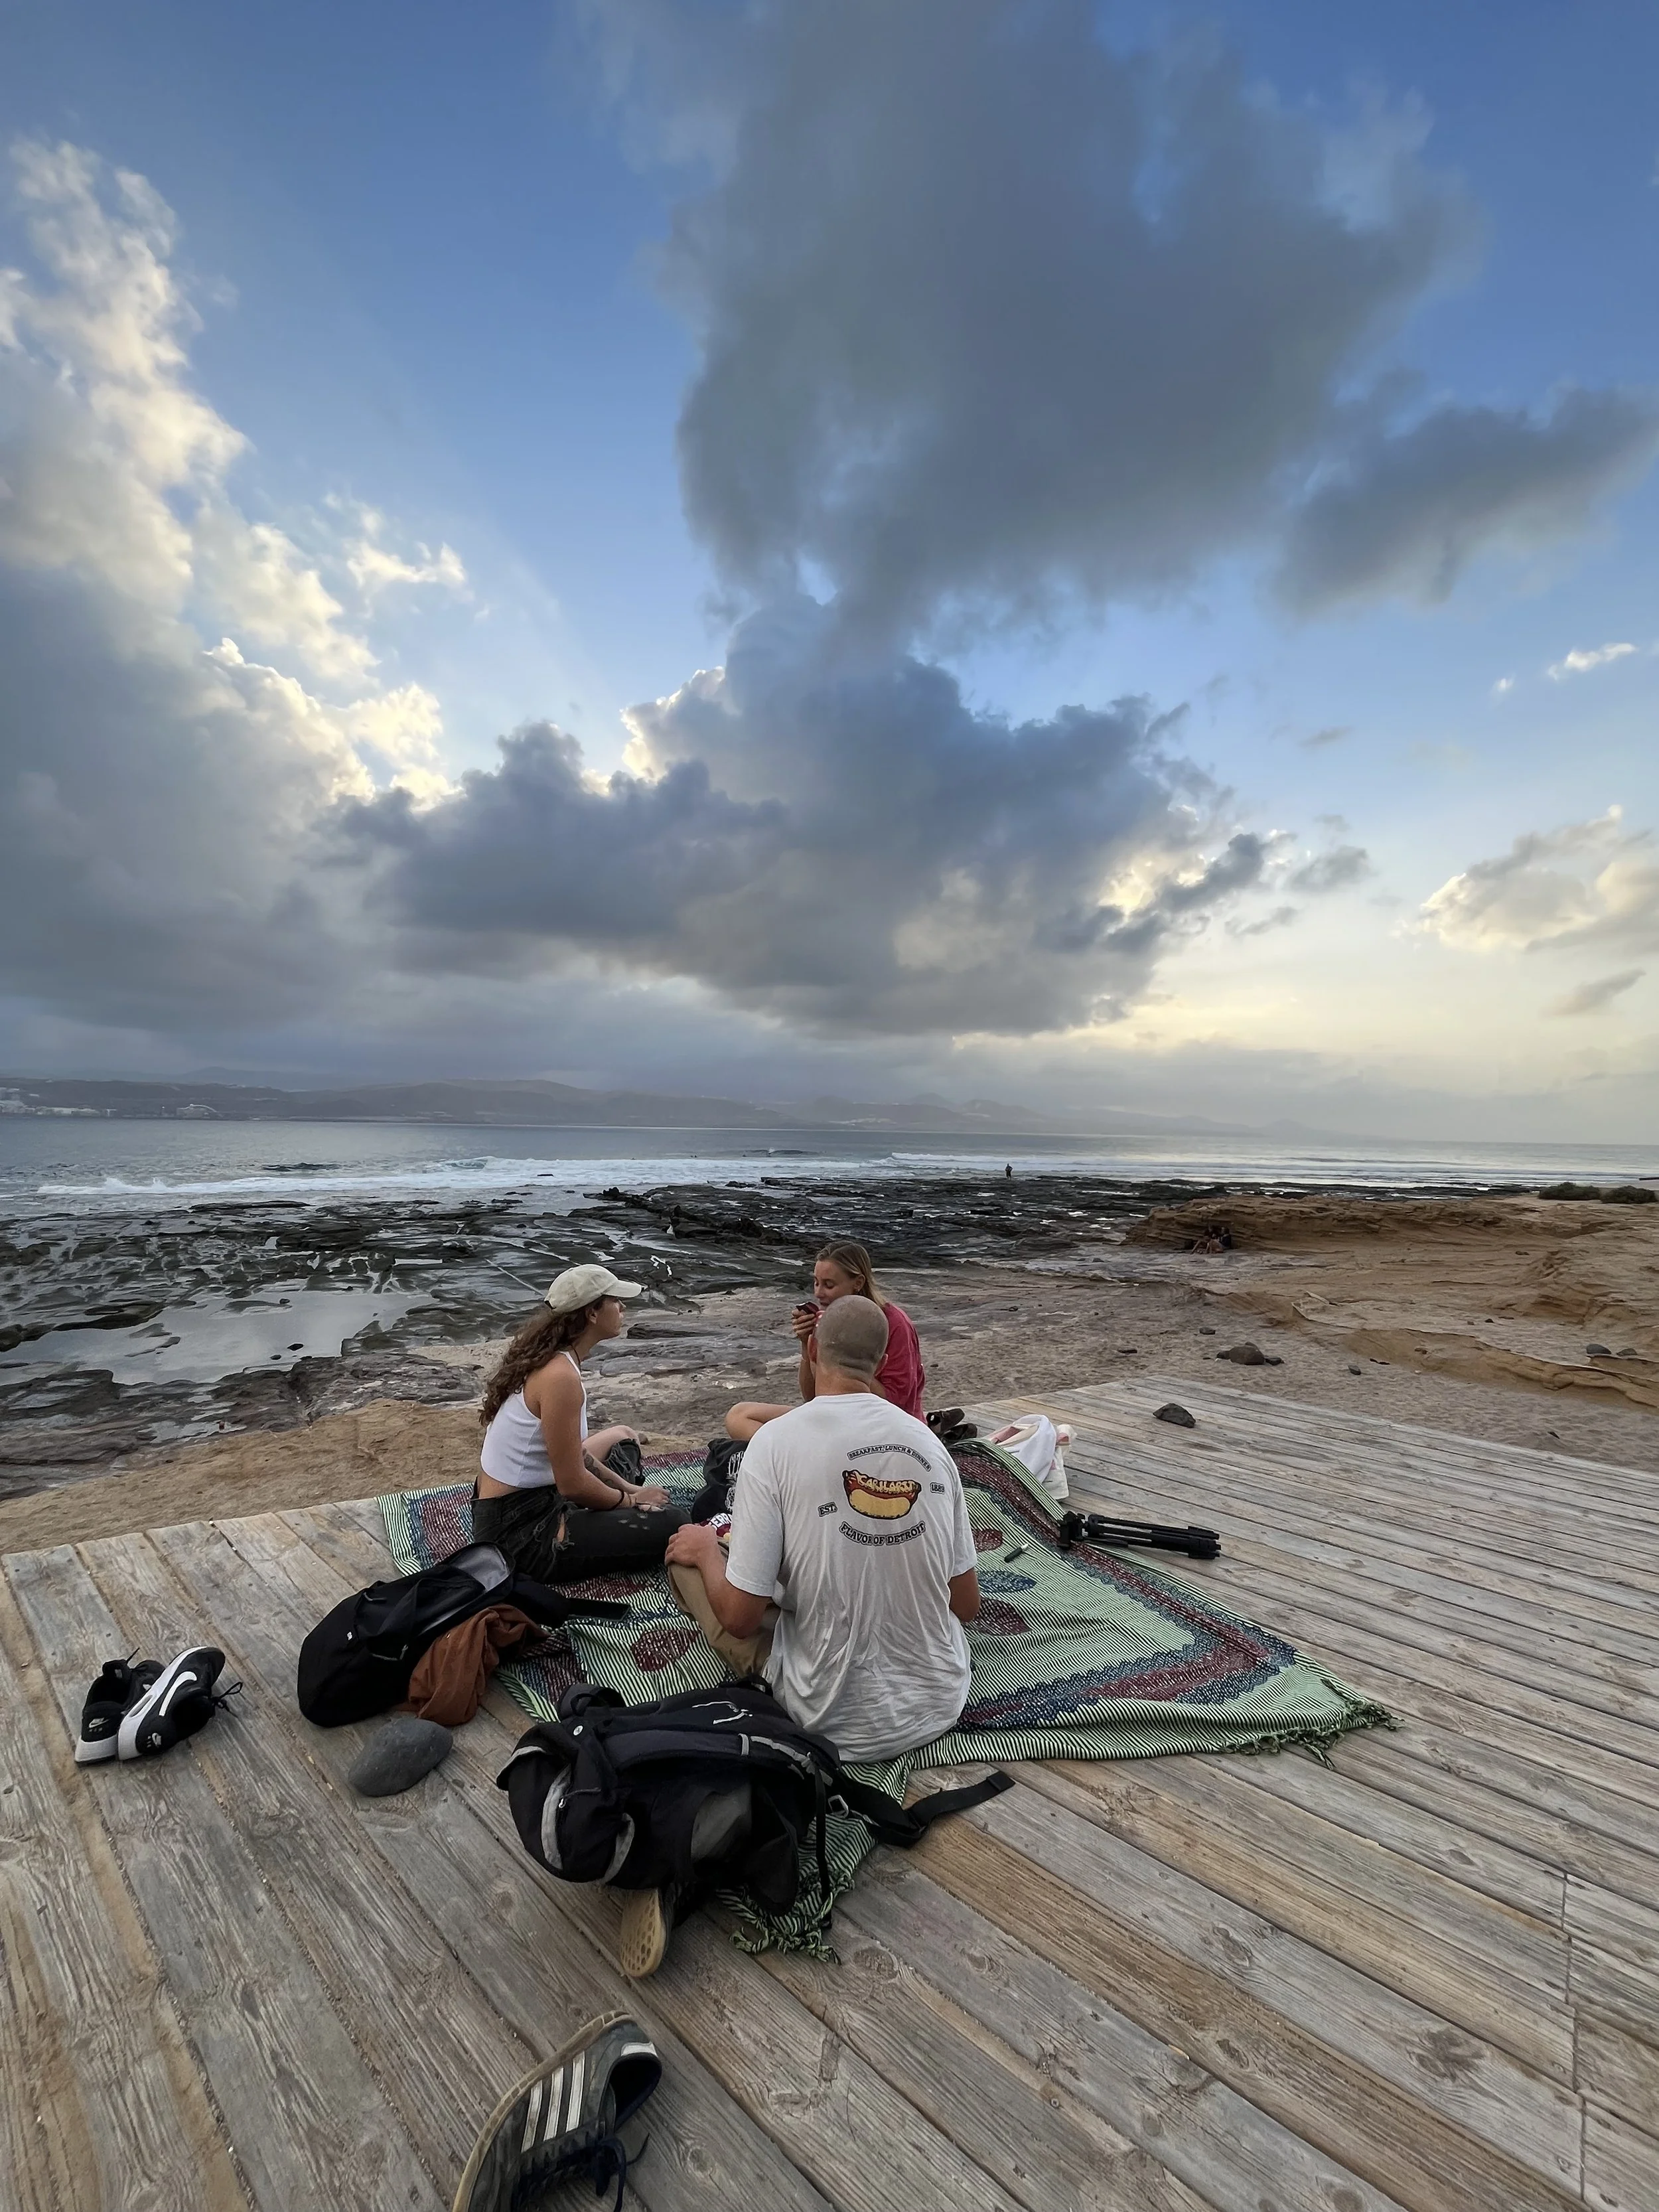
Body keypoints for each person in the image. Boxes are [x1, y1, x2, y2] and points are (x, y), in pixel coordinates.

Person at [666, 1295, 980, 1761]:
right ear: (883, 1359)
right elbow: (966, 1604)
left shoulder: (773, 1443)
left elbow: (740, 1618)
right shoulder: (931, 1447)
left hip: (825, 1714)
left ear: (812, 1349)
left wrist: (707, 1550)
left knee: (688, 1557)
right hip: (938, 1701)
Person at [473, 1264, 685, 1582]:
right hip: (518, 1533)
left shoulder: (552, 1359)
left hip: (529, 1500)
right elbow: (572, 1484)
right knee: (675, 1523)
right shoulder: (559, 1378)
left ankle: (608, 1504)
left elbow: (576, 1456)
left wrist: (628, 1487)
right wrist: (628, 1502)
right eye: (616, 1300)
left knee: (623, 1438)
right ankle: (595, 1519)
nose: (623, 1307)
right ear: (592, 1314)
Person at [723, 1238, 924, 1440]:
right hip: (832, 1418)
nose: (819, 1293)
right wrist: (806, 1343)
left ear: (858, 1283)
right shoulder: (825, 1320)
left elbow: (897, 1405)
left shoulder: (894, 1324)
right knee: (740, 1416)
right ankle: (788, 1454)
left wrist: (848, 1368)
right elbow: (812, 1397)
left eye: (829, 1285)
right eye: (816, 1282)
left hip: (882, 1427)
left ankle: (788, 1457)